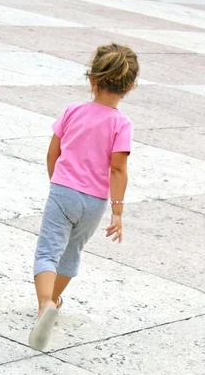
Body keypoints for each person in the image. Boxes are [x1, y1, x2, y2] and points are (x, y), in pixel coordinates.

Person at [29, 43, 139, 351]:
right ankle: (55, 299)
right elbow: (118, 169)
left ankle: (45, 305)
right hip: (94, 202)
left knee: (47, 254)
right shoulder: (122, 124)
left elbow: (53, 151)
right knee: (71, 253)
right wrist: (117, 213)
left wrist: (58, 182)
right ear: (129, 87)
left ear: (92, 79)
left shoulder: (73, 111)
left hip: (63, 191)